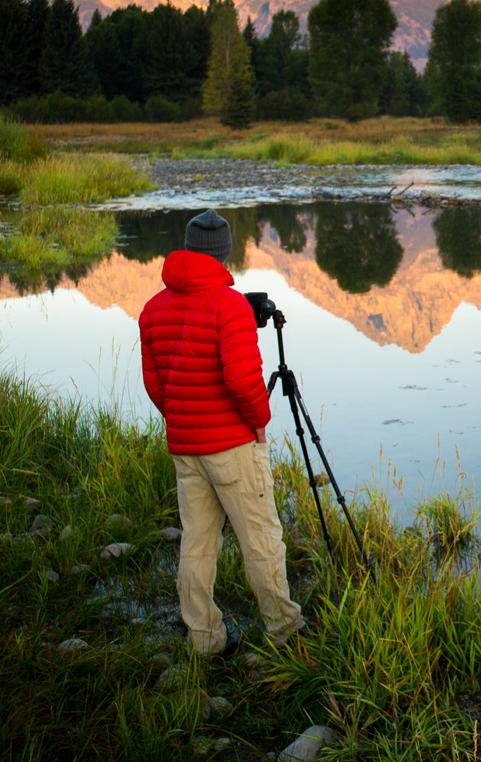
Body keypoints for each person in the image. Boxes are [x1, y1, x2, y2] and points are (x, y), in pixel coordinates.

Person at [139, 208, 305, 655]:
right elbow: (243, 382)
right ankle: (285, 632)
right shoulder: (228, 306)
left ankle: (204, 639)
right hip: (232, 445)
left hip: (185, 445)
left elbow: (156, 384)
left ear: (189, 248)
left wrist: (184, 418)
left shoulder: (153, 309)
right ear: (222, 253)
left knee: (197, 541)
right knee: (261, 538)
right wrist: (258, 425)